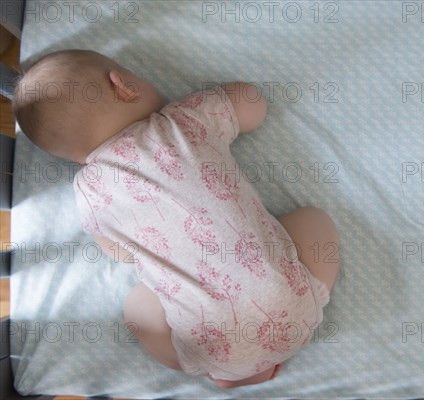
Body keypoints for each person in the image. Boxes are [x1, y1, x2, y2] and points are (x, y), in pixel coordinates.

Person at [12, 49, 340, 388]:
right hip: (293, 309)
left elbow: (119, 253)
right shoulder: (181, 123)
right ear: (123, 85)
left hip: (212, 349)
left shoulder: (89, 193)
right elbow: (252, 106)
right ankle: (255, 355)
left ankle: (232, 375)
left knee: (138, 307)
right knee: (314, 221)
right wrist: (235, 95)